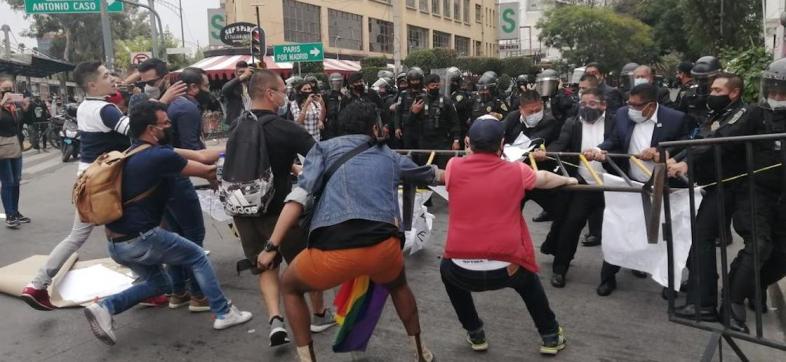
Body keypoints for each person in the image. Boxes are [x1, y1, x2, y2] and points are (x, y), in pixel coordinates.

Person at [256, 101, 441, 362]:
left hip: (332, 253)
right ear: (374, 127)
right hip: (384, 249)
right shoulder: (387, 154)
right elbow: (432, 174)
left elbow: (297, 199)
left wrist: (271, 247)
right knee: (399, 285)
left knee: (289, 286)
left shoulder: (322, 150)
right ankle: (420, 352)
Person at [83, 100, 253, 345]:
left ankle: (104, 308)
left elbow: (201, 154)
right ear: (152, 129)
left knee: (159, 283)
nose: (170, 126)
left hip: (116, 242)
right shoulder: (159, 156)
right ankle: (224, 312)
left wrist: (229, 148)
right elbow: (206, 168)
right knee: (197, 256)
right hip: (140, 239)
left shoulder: (132, 152)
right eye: (165, 123)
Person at [19, 61, 186, 311]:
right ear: (92, 84)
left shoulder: (88, 105)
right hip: (101, 183)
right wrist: (164, 98)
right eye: (106, 75)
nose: (112, 78)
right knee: (121, 232)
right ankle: (38, 283)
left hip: (94, 179)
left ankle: (148, 285)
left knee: (129, 230)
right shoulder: (106, 109)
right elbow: (136, 129)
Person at [440, 116, 574, 355]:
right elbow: (544, 179)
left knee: (446, 271)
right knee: (529, 282)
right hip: (506, 269)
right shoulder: (516, 171)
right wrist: (569, 178)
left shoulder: (454, 167)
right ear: (502, 144)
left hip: (461, 269)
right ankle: (550, 336)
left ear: (468, 142)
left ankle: (475, 332)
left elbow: (445, 175)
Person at [228, 69, 333, 347]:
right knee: (303, 263)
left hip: (244, 210)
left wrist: (288, 165)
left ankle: (275, 320)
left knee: (265, 266)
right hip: (279, 212)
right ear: (270, 94)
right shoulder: (285, 128)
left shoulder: (238, 125)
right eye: (283, 91)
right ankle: (319, 314)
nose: (286, 95)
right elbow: (319, 160)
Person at [584, 83, 690, 296]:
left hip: (663, 186)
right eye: (628, 103)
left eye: (636, 105)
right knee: (619, 231)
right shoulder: (623, 115)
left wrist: (663, 153)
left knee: (667, 236)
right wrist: (598, 149)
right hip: (629, 183)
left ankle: (669, 282)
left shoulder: (675, 119)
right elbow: (614, 140)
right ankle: (608, 277)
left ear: (651, 106)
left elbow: (687, 146)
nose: (630, 108)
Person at [666, 73, 748, 322]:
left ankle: (703, 304)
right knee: (700, 236)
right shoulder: (719, 114)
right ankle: (702, 294)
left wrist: (686, 164)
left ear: (733, 93)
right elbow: (698, 139)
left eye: (716, 90)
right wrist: (674, 157)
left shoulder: (741, 114)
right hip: (714, 185)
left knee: (702, 236)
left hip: (730, 186)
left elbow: (716, 142)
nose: (711, 94)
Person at [723, 58, 786, 333]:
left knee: (782, 252)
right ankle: (732, 301)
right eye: (772, 90)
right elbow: (721, 139)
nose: (776, 97)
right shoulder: (753, 115)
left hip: (782, 195)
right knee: (759, 245)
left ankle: (754, 285)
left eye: (782, 92)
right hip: (754, 191)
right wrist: (685, 161)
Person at [533, 88, 615, 287]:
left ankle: (609, 278)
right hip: (584, 185)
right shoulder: (573, 122)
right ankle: (560, 269)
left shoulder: (615, 122)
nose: (586, 108)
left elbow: (620, 144)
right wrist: (546, 153)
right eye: (583, 103)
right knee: (571, 225)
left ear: (603, 104)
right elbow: (561, 143)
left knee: (615, 231)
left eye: (592, 103)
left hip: (613, 186)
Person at [163, 66, 213, 311]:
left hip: (161, 179)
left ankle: (178, 291)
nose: (207, 91)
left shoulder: (172, 106)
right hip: (177, 179)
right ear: (192, 87)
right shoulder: (188, 107)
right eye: (205, 86)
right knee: (193, 236)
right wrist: (210, 173)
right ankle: (198, 295)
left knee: (174, 238)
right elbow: (193, 149)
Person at [0, 79, 28, 228]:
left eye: (10, 88)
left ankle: (15, 212)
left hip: (17, 146)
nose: (8, 91)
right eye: (5, 89)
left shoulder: (14, 106)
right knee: (7, 181)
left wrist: (24, 108)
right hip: (2, 148)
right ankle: (9, 215)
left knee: (16, 181)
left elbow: (23, 123)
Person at [221, 60, 253, 125]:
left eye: (245, 72)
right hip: (235, 122)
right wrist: (241, 77)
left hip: (250, 122)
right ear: (235, 73)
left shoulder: (251, 85)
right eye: (241, 72)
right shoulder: (233, 86)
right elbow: (224, 89)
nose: (244, 74)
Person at [322, 72, 345, 140]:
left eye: (340, 81)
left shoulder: (344, 95)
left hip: (341, 123)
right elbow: (322, 110)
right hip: (330, 123)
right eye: (337, 81)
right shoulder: (326, 95)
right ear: (331, 82)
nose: (338, 83)